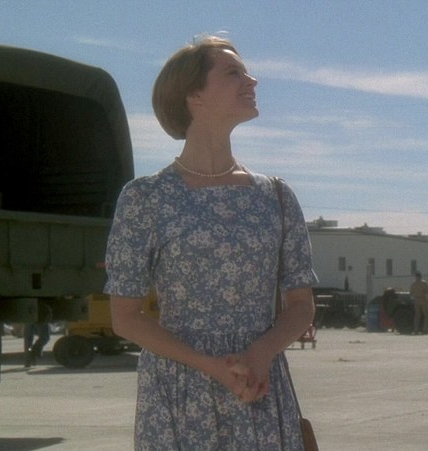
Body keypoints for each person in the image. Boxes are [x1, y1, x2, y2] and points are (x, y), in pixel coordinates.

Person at [104, 35, 318, 450]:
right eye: (234, 73)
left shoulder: (275, 196)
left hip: (258, 385)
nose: (252, 81)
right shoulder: (145, 198)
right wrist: (210, 365)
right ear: (194, 95)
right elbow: (125, 317)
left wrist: (259, 355)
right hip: (179, 389)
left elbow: (301, 306)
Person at [24, 303, 52, 368]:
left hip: (39, 315)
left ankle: (32, 353)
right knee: (29, 341)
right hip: (33, 316)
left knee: (44, 338)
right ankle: (29, 358)